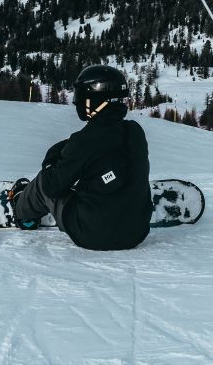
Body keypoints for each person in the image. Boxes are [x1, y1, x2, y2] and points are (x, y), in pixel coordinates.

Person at [9, 64, 152, 251]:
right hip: (136, 234)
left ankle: (22, 211)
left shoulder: (85, 141)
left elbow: (52, 185)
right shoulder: (135, 132)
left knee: (43, 184)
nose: (77, 102)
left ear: (93, 99)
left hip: (92, 235)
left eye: (80, 96)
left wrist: (51, 161)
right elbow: (103, 149)